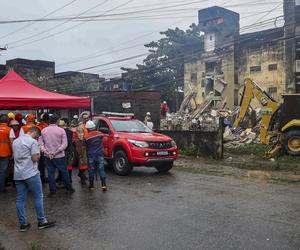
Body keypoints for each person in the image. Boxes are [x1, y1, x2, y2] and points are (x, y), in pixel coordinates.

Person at [13, 126, 56, 232]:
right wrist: (40, 154)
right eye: (37, 136)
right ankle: (42, 221)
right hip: (31, 173)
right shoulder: (32, 142)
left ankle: (23, 224)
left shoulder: (16, 141)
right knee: (38, 196)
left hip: (18, 173)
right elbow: (34, 158)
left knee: (20, 199)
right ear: (34, 132)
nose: (37, 138)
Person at [39, 114, 75, 197]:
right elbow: (65, 144)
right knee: (64, 172)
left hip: (48, 156)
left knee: (50, 173)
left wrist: (47, 152)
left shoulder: (44, 130)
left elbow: (40, 144)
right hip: (59, 156)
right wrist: (55, 152)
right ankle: (69, 188)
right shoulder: (61, 130)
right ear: (57, 121)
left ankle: (52, 191)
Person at [84, 121, 107, 191]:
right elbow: (103, 141)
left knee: (91, 170)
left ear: (87, 129)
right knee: (101, 169)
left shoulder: (86, 137)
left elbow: (84, 145)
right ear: (94, 127)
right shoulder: (100, 134)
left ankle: (91, 186)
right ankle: (104, 185)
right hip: (100, 155)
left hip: (91, 155)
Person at [0, 114, 15, 192]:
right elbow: (11, 142)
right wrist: (13, 152)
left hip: (4, 153)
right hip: (5, 153)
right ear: (7, 121)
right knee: (3, 171)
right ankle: (1, 188)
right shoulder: (9, 129)